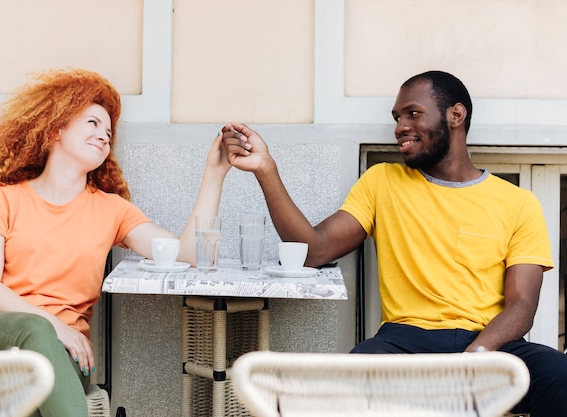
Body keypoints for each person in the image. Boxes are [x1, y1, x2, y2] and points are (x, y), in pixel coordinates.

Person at [222, 70, 567, 416]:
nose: (400, 126)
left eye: (413, 114)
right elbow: (313, 250)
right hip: (405, 342)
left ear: (455, 115)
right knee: (357, 377)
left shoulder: (518, 202)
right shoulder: (382, 182)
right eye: (397, 118)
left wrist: (476, 358)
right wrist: (265, 169)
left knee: (559, 375)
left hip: (492, 344)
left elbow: (522, 305)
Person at [0, 68, 232, 417]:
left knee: (43, 373)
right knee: (37, 332)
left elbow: (187, 254)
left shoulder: (112, 210)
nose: (104, 136)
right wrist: (55, 327)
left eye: (109, 132)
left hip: (67, 354)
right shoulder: (5, 198)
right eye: (93, 124)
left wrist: (214, 174)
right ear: (57, 129)